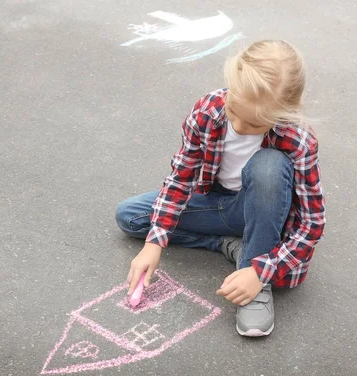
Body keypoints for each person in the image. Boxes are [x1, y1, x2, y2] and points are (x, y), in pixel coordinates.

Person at [115, 40, 326, 337]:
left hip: (264, 212)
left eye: (253, 124)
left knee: (268, 167)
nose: (239, 126)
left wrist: (260, 271)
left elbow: (312, 222)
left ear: (283, 113)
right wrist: (154, 244)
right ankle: (230, 245)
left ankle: (256, 280)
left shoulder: (298, 139)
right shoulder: (208, 110)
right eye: (234, 111)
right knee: (130, 217)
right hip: (218, 204)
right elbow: (181, 177)